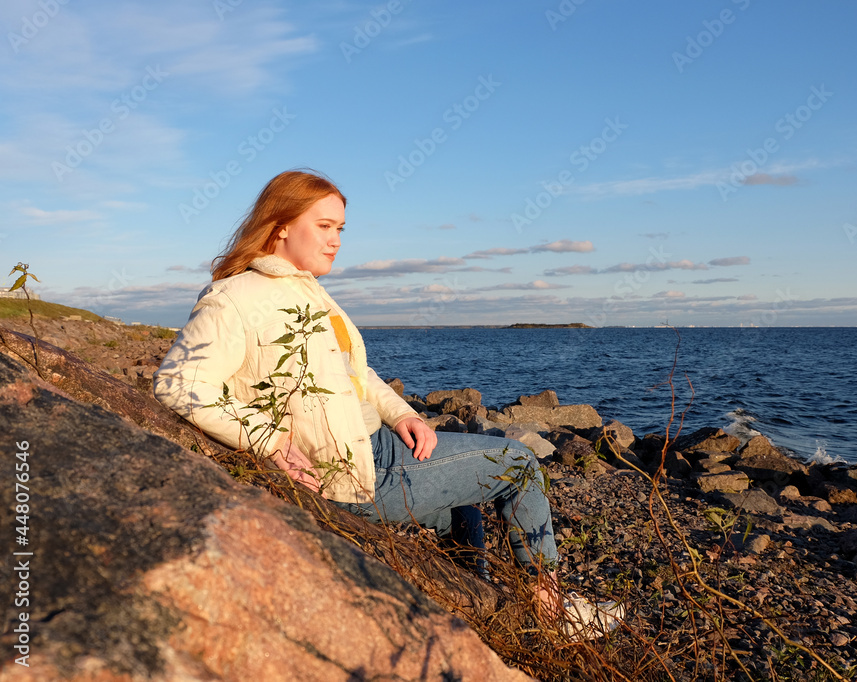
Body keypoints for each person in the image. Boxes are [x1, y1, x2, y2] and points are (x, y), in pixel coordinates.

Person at [154, 169, 621, 638]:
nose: (335, 239)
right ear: (280, 225)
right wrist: (268, 441)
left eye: (340, 229)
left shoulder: (306, 289)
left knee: (467, 501)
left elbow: (355, 372)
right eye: (324, 226)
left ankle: (478, 612)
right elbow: (179, 384)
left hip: (373, 442)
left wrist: (403, 413)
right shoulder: (233, 298)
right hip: (351, 468)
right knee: (516, 463)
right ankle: (555, 615)